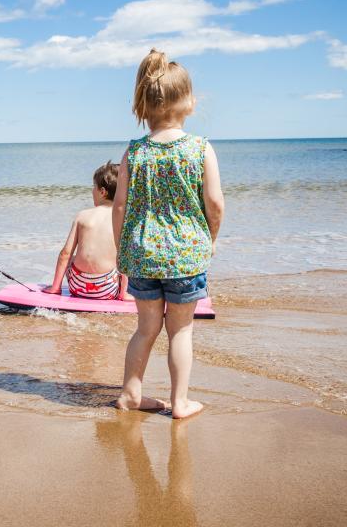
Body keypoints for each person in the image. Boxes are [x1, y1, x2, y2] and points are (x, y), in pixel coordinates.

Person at [112, 49, 224, 419]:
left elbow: (119, 206)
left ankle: (131, 394)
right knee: (180, 332)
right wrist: (210, 241)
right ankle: (179, 402)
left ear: (143, 105)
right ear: (190, 102)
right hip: (186, 255)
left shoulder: (134, 153)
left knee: (146, 329)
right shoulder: (200, 148)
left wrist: (121, 250)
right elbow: (215, 204)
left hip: (142, 252)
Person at [43, 162, 131, 301]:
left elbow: (65, 254)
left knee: (71, 258)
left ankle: (56, 287)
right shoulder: (123, 219)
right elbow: (126, 257)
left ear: (102, 192)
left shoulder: (82, 215)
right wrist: (123, 294)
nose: (92, 191)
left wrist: (55, 288)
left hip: (77, 287)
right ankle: (124, 293)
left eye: (93, 187)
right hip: (107, 290)